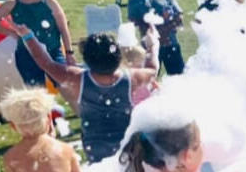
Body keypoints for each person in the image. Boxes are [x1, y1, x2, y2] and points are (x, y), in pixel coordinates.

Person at [12, 24, 159, 163]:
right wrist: (153, 45)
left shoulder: (77, 78)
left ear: (87, 60)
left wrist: (28, 36)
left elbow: (45, 63)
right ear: (118, 55)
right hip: (127, 144)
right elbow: (153, 69)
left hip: (94, 147)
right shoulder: (131, 78)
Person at [0, 0, 75, 87]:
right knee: (37, 91)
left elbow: (63, 28)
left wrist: (69, 53)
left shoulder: (50, 2)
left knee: (66, 86)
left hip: (52, 52)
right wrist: (12, 33)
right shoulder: (12, 4)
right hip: (26, 54)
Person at [127, 0, 185, 76]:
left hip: (170, 44)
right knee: (149, 79)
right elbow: (134, 21)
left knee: (178, 78)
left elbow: (179, 16)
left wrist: (165, 31)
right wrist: (155, 35)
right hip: (149, 47)